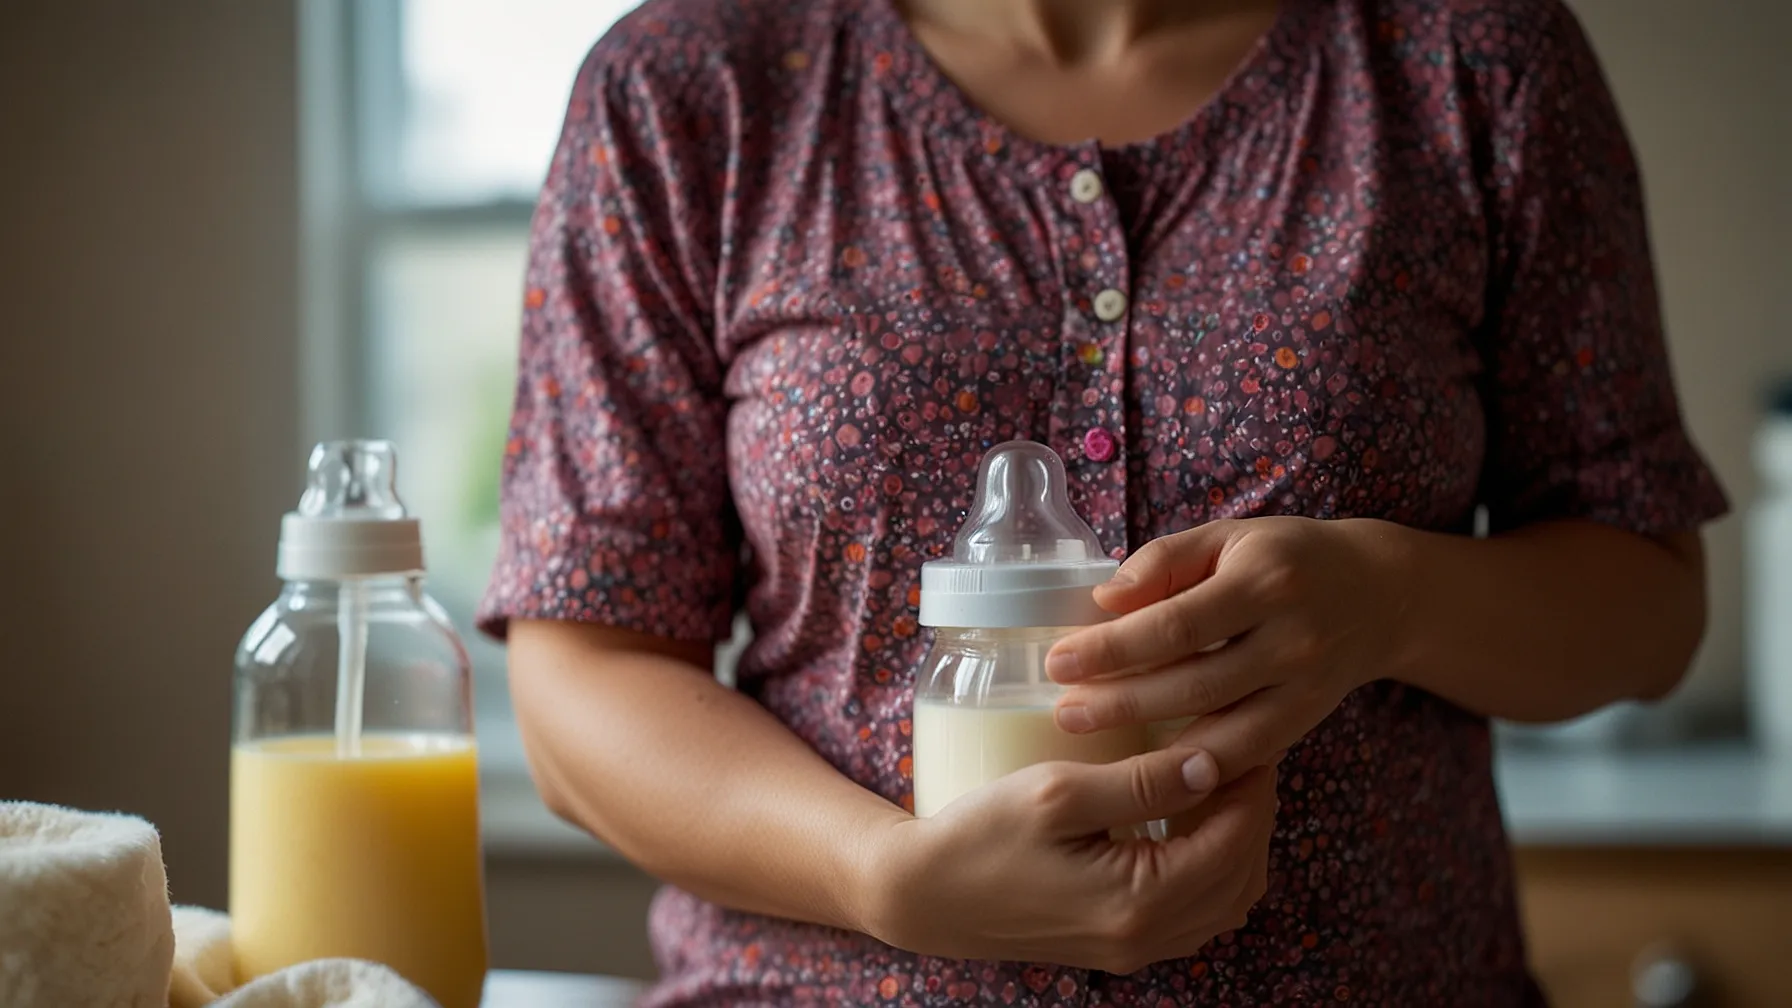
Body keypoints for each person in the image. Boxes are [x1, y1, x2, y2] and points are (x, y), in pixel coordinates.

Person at [477, 0, 1727, 1002]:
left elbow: (1646, 599)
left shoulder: (1473, 58)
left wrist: (1393, 601)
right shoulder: (689, 88)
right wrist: (879, 877)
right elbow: (583, 670)